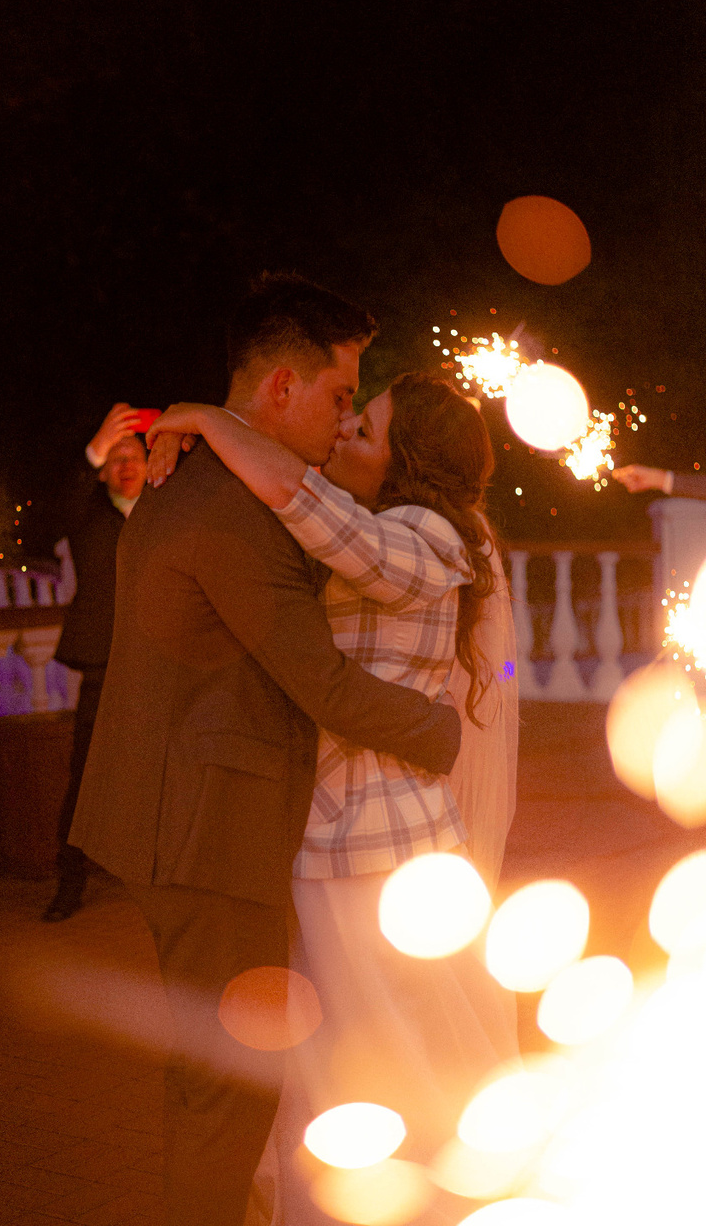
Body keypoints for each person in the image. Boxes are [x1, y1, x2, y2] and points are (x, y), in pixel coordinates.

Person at [70, 272, 465, 1225]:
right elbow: (319, 683)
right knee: (231, 1092)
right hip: (205, 836)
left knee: (212, 1076)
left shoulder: (202, 483)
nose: (341, 423)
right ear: (280, 389)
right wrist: (445, 730)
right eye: (338, 398)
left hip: (178, 821)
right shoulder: (228, 512)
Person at [147, 373, 519, 1223]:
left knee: (383, 1054)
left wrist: (208, 416)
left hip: (372, 847)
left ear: (410, 460)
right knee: (376, 1049)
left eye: (369, 425)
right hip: (376, 840)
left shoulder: (423, 536)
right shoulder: (408, 532)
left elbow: (300, 498)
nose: (349, 428)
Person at [43, 404, 153, 922]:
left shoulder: (164, 509)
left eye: (134, 455)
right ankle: (70, 881)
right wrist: (93, 448)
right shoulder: (88, 513)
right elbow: (53, 516)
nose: (125, 465)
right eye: (115, 457)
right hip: (104, 660)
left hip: (162, 657)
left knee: (166, 770)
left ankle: (161, 874)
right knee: (86, 775)